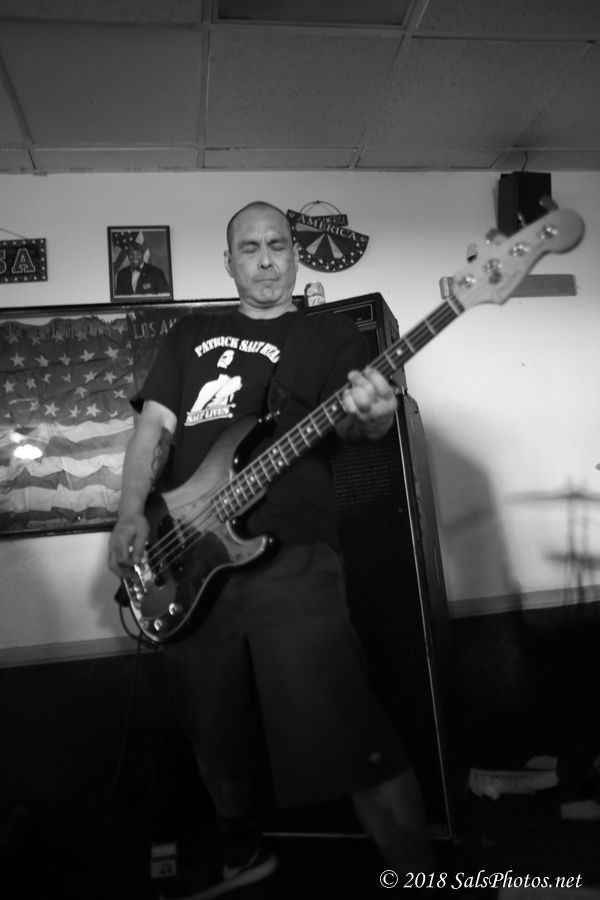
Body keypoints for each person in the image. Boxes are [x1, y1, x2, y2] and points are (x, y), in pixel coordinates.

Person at [108, 201, 433, 898]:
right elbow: (153, 430)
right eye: (249, 247)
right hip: (185, 561)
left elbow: (359, 425)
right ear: (228, 261)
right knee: (212, 730)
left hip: (290, 554)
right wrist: (132, 511)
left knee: (346, 726)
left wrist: (376, 414)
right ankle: (240, 851)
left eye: (277, 245)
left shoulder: (330, 337)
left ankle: (423, 879)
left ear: (295, 253)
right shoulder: (190, 334)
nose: (264, 259)